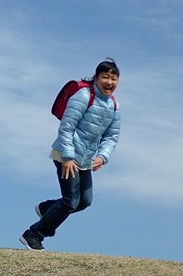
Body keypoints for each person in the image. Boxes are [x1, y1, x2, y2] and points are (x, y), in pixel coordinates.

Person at [19, 58, 121, 251]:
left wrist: (102, 156)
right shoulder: (84, 96)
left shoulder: (114, 107)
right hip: (65, 154)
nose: (109, 82)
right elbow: (67, 127)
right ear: (96, 78)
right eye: (105, 77)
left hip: (85, 159)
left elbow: (112, 136)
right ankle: (33, 234)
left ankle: (47, 209)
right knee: (70, 201)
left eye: (113, 78)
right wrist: (67, 157)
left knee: (84, 201)